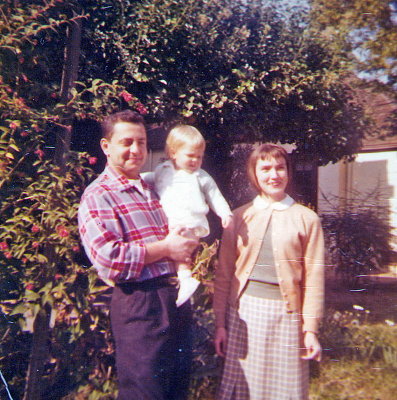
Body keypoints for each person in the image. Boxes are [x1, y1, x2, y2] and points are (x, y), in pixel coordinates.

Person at [78, 110, 198, 400]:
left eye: (141, 142)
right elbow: (109, 258)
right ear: (106, 147)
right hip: (140, 303)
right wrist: (167, 249)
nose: (136, 150)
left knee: (176, 389)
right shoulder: (98, 196)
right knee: (145, 392)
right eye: (127, 142)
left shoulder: (153, 188)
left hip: (175, 298)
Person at [213, 143, 324, 400]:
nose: (273, 175)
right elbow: (224, 274)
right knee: (244, 390)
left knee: (284, 391)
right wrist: (220, 324)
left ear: (288, 171)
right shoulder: (239, 217)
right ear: (254, 173)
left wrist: (311, 329)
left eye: (279, 167)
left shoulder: (307, 219)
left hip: (286, 316)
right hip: (245, 315)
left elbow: (314, 281)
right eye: (265, 168)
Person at [145, 125, 232, 306]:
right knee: (168, 251)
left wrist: (225, 213)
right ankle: (181, 280)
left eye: (199, 157)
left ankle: (186, 279)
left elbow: (215, 196)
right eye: (190, 155)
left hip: (190, 223)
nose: (195, 160)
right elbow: (150, 178)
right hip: (169, 221)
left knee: (181, 251)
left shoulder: (200, 176)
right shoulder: (163, 170)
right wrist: (133, 178)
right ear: (174, 153)